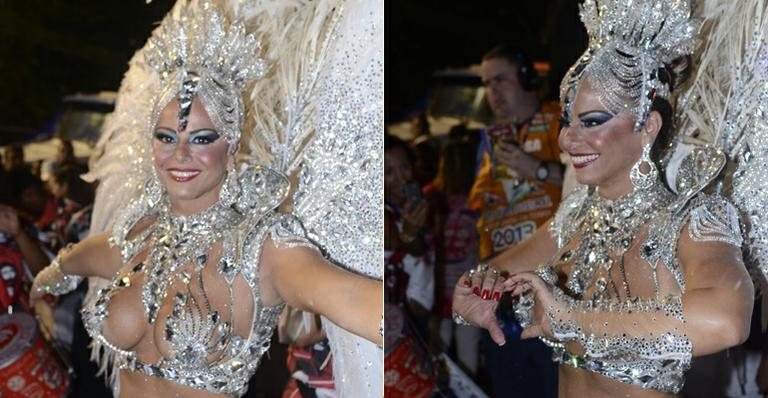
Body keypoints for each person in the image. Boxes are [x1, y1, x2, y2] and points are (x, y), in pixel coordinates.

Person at [30, 2, 383, 397]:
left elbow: (358, 300)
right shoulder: (142, 234)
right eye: (166, 137)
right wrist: (51, 277)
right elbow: (89, 254)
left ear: (230, 145)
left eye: (201, 139)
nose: (180, 156)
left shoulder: (263, 248)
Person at [452, 0, 755, 396]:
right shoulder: (576, 216)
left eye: (592, 121)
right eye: (567, 121)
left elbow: (726, 322)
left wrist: (573, 318)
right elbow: (492, 274)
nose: (568, 139)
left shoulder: (691, 219)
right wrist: (474, 291)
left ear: (648, 126)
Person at [469, 44, 563, 396]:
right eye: (487, 83)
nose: (492, 91)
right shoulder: (491, 141)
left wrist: (535, 169)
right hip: (501, 299)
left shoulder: (559, 119)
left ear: (526, 77)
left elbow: (589, 182)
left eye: (500, 80)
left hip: (552, 290)